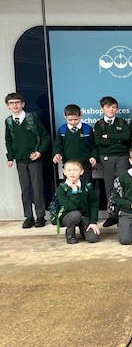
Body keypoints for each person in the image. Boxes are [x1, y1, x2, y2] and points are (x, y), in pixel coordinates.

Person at [4, 92, 50, 228]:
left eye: (17, 102)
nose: (15, 105)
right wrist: (10, 157)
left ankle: (40, 216)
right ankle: (29, 217)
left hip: (34, 159)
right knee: (25, 189)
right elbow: (8, 140)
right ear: (7, 106)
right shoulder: (9, 121)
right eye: (11, 103)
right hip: (20, 160)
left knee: (37, 188)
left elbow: (45, 137)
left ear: (23, 104)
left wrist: (39, 152)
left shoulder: (32, 117)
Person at [94, 96, 131, 228]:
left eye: (114, 107)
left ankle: (123, 213)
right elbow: (99, 141)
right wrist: (117, 140)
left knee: (123, 185)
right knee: (109, 186)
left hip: (122, 156)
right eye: (108, 107)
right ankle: (112, 215)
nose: (111, 109)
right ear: (102, 109)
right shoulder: (99, 124)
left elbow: (127, 137)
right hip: (106, 157)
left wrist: (109, 136)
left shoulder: (122, 122)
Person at [53, 159, 100, 244]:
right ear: (64, 172)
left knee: (93, 238)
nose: (72, 173)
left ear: (81, 172)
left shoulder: (87, 186)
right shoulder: (61, 188)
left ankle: (83, 230)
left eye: (75, 170)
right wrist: (75, 192)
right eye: (69, 170)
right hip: (68, 216)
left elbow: (93, 204)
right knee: (76, 215)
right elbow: (69, 208)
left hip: (84, 216)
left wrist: (93, 222)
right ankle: (70, 234)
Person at [52, 103, 97, 186]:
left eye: (76, 119)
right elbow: (58, 145)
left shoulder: (87, 129)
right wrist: (57, 154)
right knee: (69, 188)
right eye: (70, 120)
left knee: (86, 187)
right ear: (65, 116)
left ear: (81, 115)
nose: (73, 122)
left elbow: (93, 145)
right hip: (68, 165)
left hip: (84, 165)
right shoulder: (62, 130)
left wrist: (93, 157)